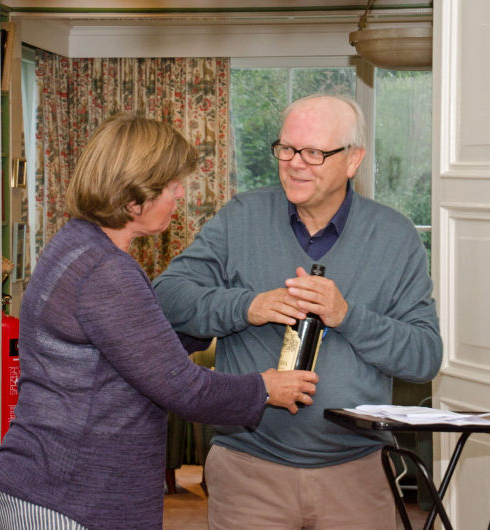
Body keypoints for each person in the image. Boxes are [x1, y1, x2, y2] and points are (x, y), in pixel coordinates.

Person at [0, 112, 318, 530]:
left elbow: (136, 345)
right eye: (172, 184)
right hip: (68, 494)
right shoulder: (106, 271)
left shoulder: (77, 242)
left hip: (49, 483)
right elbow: (184, 388)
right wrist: (266, 388)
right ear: (134, 196)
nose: (181, 193)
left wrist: (243, 311)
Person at [153, 94, 443, 530]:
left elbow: (424, 357)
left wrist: (347, 316)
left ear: (353, 160)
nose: (294, 164)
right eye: (286, 149)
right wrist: (248, 306)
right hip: (247, 471)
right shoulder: (241, 217)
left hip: (358, 475)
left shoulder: (395, 236)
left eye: (313, 153)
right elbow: (166, 298)